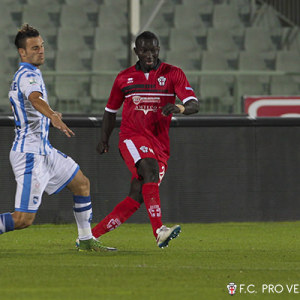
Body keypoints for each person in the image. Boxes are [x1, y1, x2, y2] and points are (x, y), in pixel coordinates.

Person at [0, 24, 116, 252]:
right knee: (23, 219)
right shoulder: (26, 75)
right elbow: (34, 98)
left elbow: (33, 103)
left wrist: (50, 114)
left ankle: (85, 240)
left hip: (45, 151)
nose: (41, 51)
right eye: (34, 48)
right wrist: (52, 114)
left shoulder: (32, 73)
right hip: (29, 155)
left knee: (81, 183)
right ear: (22, 53)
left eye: (42, 46)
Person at [92, 31, 199, 248]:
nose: (149, 54)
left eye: (153, 50)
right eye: (144, 50)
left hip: (159, 145)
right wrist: (104, 138)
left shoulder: (173, 74)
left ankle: (89, 236)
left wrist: (179, 107)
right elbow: (110, 111)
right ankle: (159, 230)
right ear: (136, 52)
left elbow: (193, 104)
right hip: (131, 137)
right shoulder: (124, 78)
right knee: (149, 169)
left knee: (137, 195)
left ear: (159, 49)